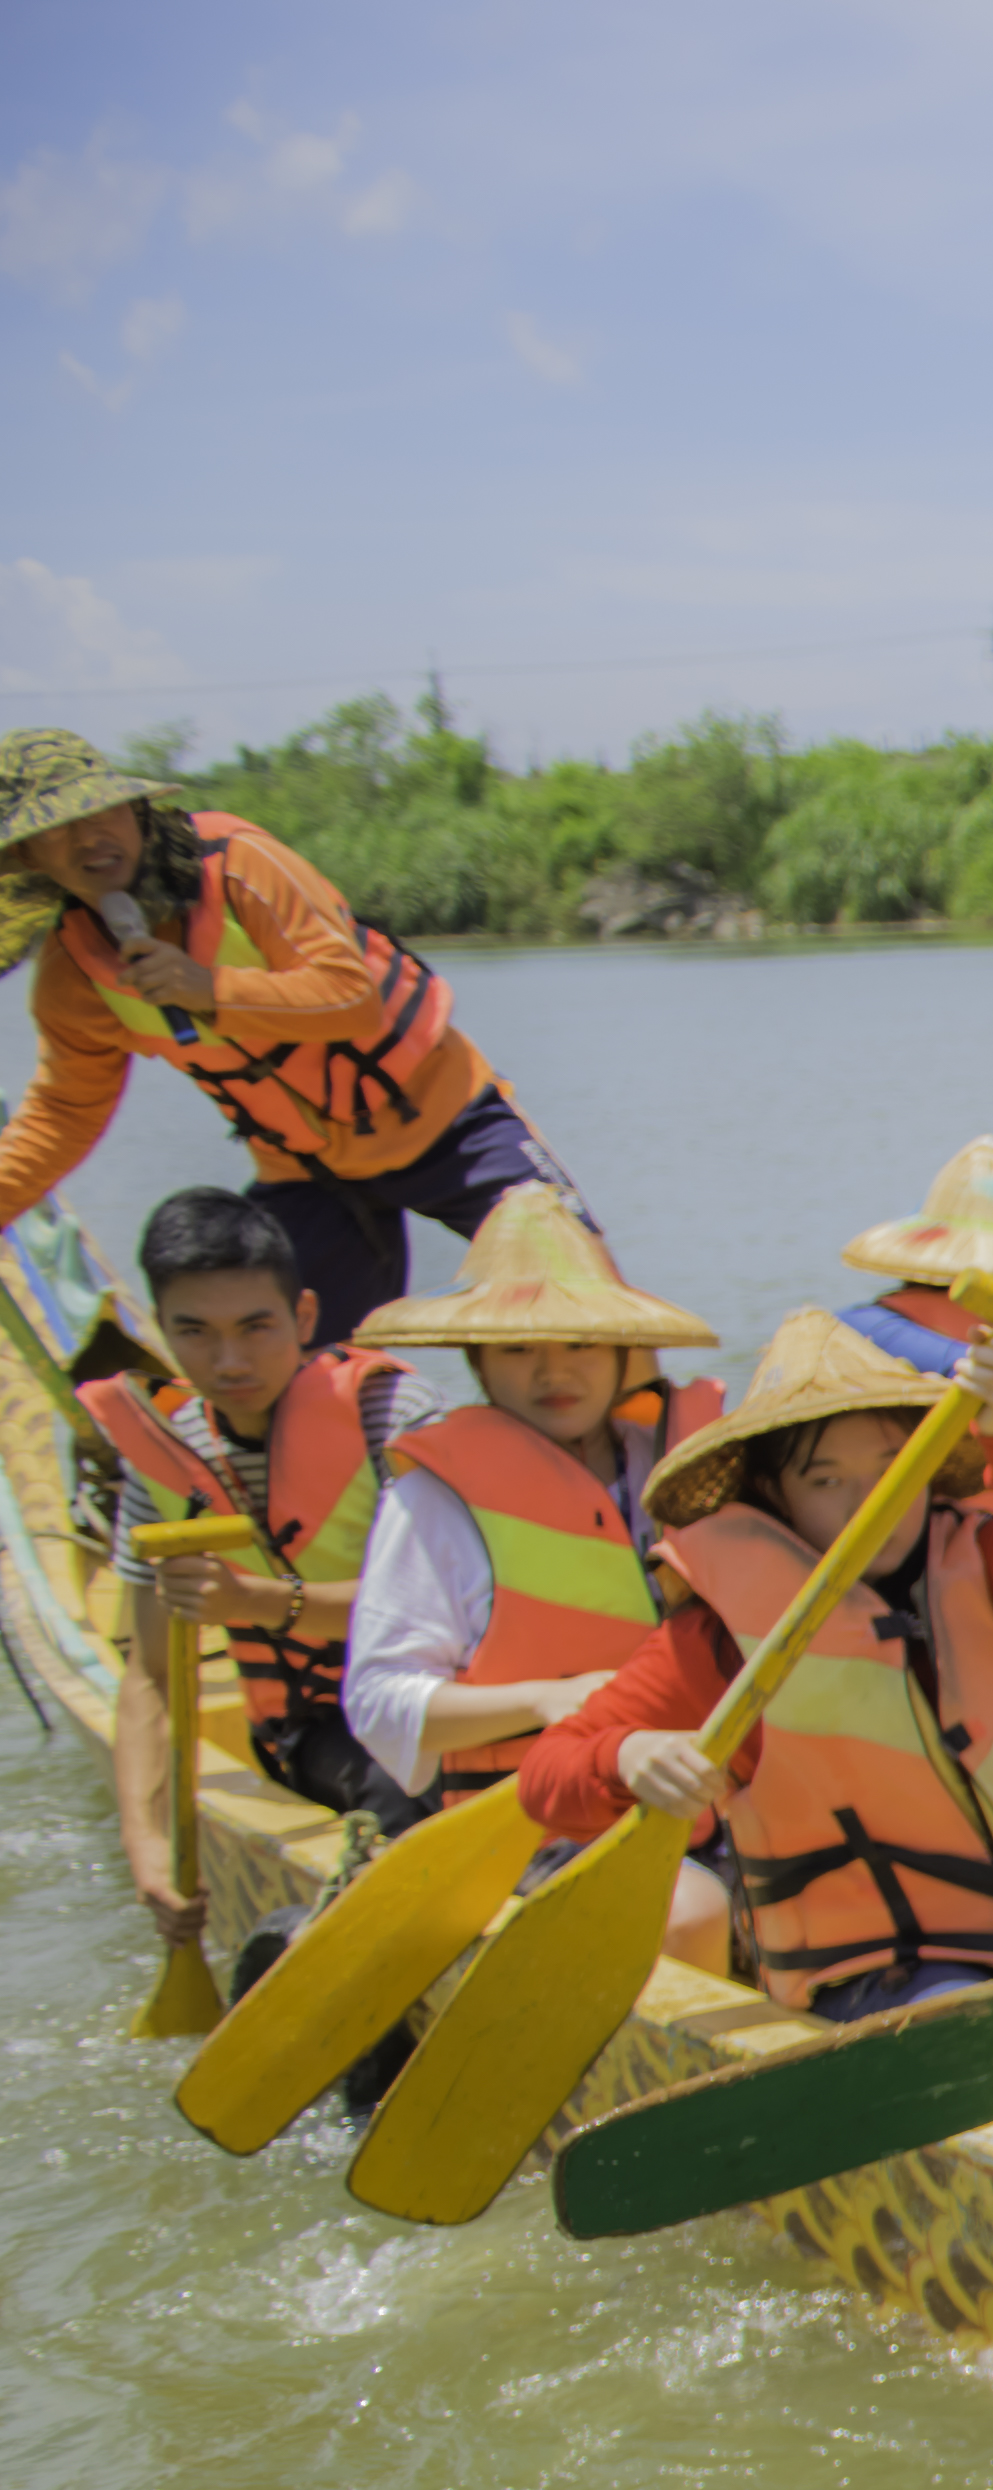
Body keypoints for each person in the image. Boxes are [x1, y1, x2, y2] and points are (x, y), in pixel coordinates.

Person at [522, 1298, 993, 2020]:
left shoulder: (980, 1561)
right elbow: (546, 1779)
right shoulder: (721, 1637)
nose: (870, 1502)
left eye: (892, 1468)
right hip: (890, 1970)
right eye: (826, 1480)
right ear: (773, 1494)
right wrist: (627, 1755)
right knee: (977, 2026)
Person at [0, 734, 595, 1344]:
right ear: (27, 856)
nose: (88, 840)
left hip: (454, 1126)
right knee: (271, 1363)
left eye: (98, 812)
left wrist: (210, 989)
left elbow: (352, 999)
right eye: (56, 830)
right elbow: (64, 1113)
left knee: (588, 1310)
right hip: (307, 1170)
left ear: (133, 808)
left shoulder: (240, 866)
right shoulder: (73, 976)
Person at [336, 1187, 740, 1978]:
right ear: (478, 1360)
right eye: (520, 1349)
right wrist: (543, 1702)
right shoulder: (433, 1498)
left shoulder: (688, 1463)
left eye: (581, 1344)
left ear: (623, 1352)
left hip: (715, 1797)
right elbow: (378, 1701)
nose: (554, 1371)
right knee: (690, 1909)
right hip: (534, 1823)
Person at [96, 1189, 432, 1993]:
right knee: (399, 1782)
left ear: (305, 1315)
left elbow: (437, 1606)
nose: (230, 1363)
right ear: (160, 1327)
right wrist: (145, 1849)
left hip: (439, 1695)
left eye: (256, 1327)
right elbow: (150, 1679)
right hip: (315, 1729)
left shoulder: (393, 1412)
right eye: (194, 1334)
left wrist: (255, 1604)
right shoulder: (163, 1455)